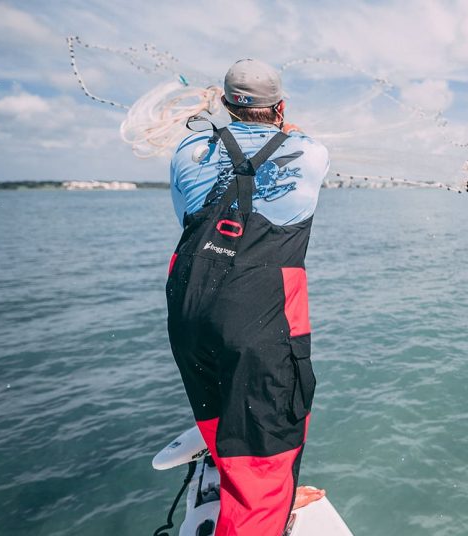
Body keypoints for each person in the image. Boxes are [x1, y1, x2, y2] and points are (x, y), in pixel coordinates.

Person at [166, 58, 329, 536]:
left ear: (224, 102)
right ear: (280, 108)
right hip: (260, 310)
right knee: (265, 439)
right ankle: (264, 501)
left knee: (219, 414)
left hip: (190, 304)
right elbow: (294, 146)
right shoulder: (310, 152)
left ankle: (266, 492)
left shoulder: (187, 150)